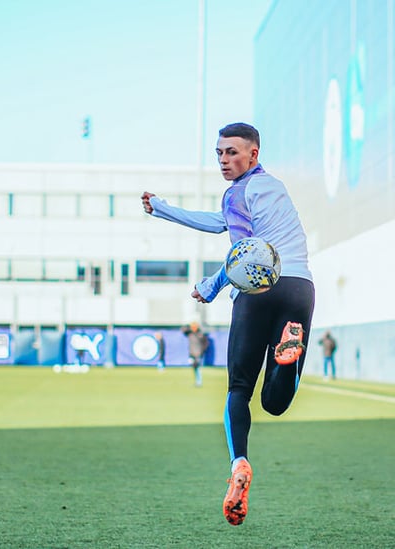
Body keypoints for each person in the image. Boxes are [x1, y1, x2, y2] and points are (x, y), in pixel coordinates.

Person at [142, 122, 315, 526]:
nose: (224, 160)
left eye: (233, 152)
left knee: (239, 389)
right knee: (275, 403)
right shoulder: (272, 189)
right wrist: (165, 208)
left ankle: (240, 462)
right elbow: (221, 222)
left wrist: (210, 286)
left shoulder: (238, 191)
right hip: (300, 287)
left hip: (258, 290)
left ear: (254, 154)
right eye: (219, 153)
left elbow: (244, 255)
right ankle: (286, 361)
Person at [181, 321, 208, 387]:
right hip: (191, 353)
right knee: (194, 367)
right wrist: (188, 326)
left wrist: (202, 351)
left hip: (198, 354)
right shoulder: (190, 333)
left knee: (197, 367)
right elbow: (183, 330)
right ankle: (197, 380)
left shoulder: (200, 334)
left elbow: (205, 343)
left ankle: (199, 381)